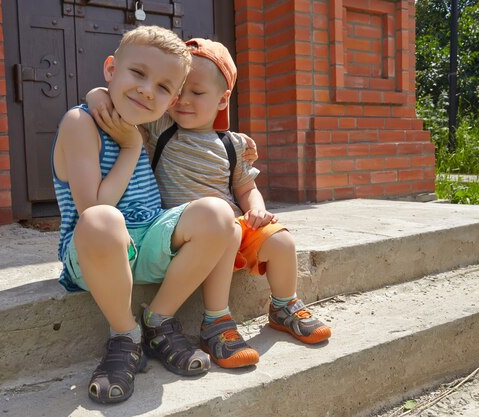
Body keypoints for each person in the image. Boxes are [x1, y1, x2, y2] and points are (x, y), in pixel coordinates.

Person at [87, 38, 332, 369]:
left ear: (223, 98)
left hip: (232, 223)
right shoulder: (160, 128)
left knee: (283, 240)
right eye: (177, 91)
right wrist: (97, 94)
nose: (183, 101)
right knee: (227, 232)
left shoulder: (232, 144)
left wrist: (255, 208)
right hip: (193, 233)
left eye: (197, 93)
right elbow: (121, 103)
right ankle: (216, 321)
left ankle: (283, 305)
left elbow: (246, 188)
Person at [52, 26, 242, 405]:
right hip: (95, 253)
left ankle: (158, 320)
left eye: (163, 88)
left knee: (219, 214)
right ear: (111, 69)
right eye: (138, 74)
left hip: (148, 242)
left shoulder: (143, 121)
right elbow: (92, 208)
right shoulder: (82, 123)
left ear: (172, 100)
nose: (146, 90)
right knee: (103, 220)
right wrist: (128, 147)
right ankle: (125, 336)